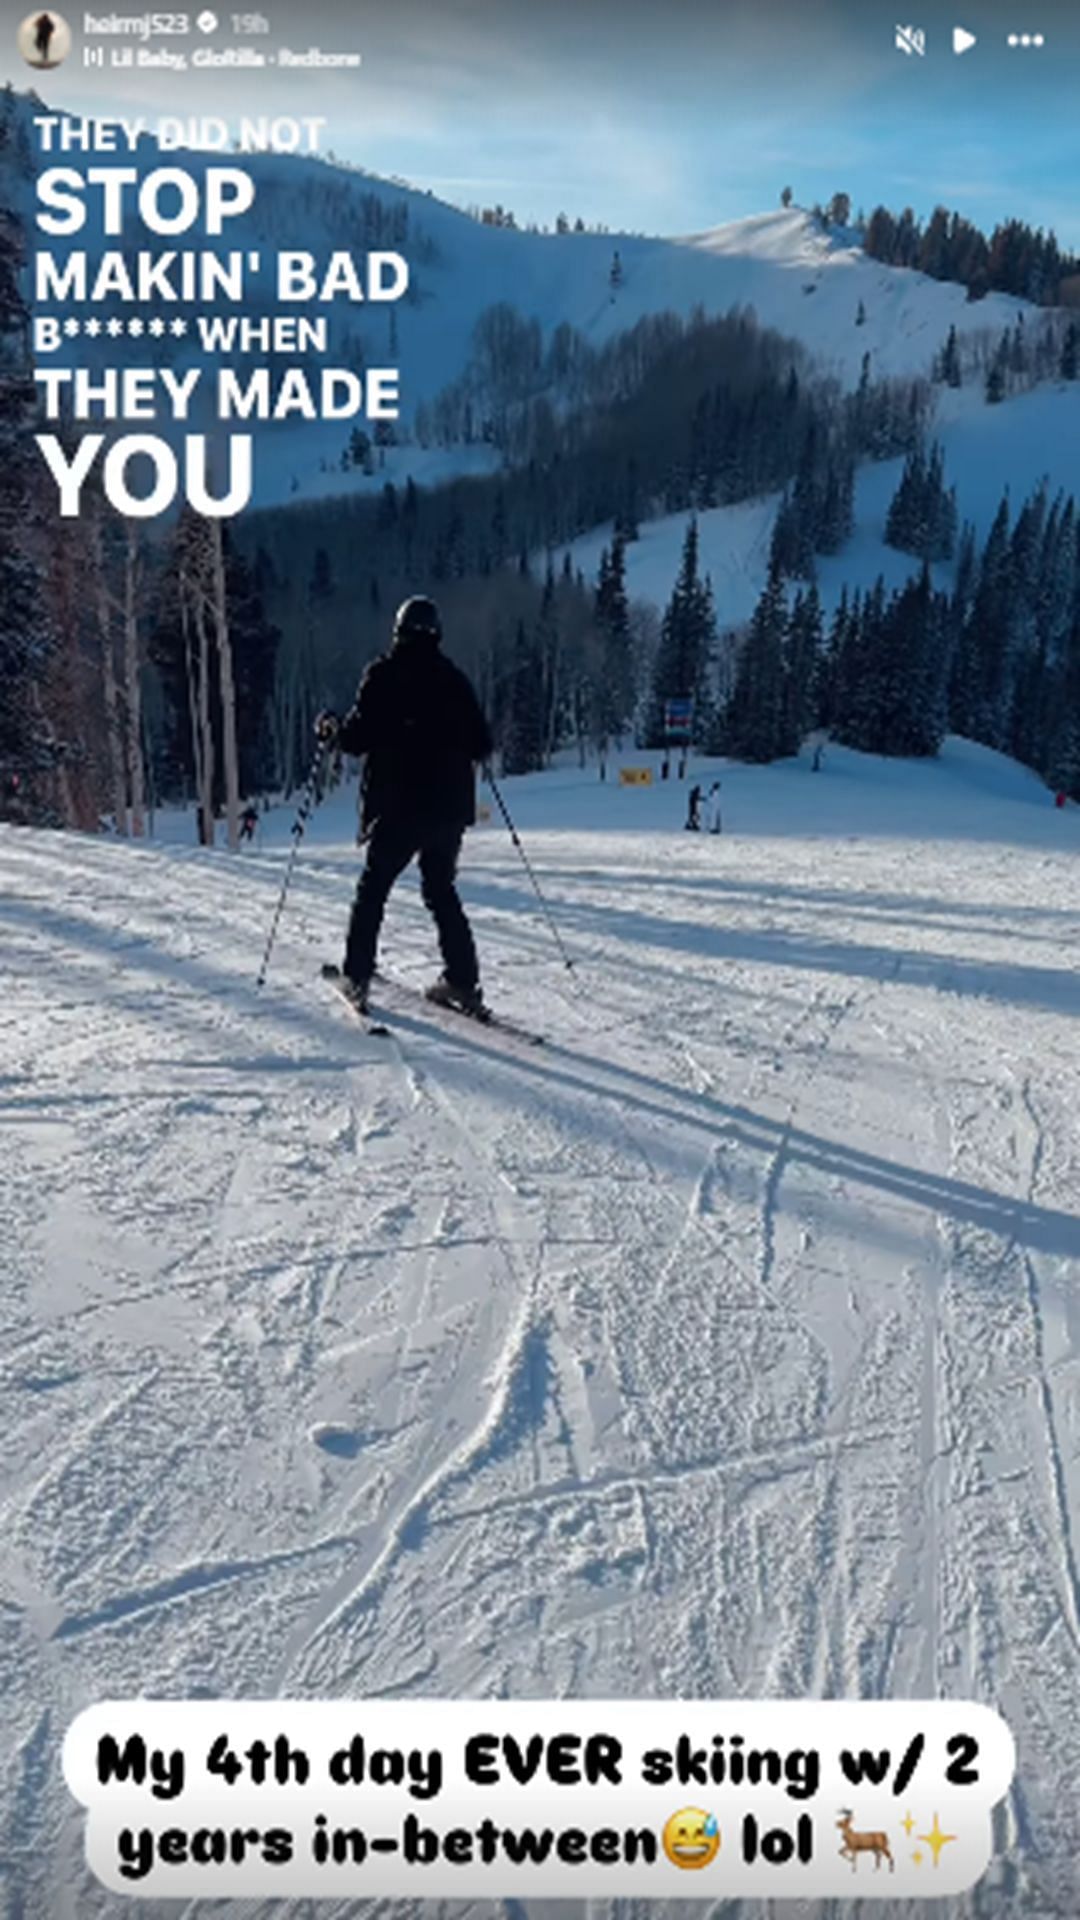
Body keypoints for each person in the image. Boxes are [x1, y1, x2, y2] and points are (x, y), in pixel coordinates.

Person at [316, 595, 493, 1015]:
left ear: (399, 631)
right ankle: (463, 981)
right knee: (441, 890)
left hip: (400, 804)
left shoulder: (384, 674)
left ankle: (357, 976)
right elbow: (483, 744)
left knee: (374, 887)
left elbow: (356, 739)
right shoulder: (455, 679)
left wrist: (331, 730)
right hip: (449, 809)